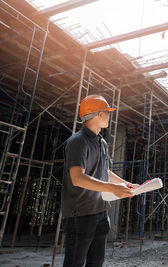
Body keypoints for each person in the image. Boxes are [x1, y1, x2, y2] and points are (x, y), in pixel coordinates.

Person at [62, 95, 137, 267]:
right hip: (80, 215)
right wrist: (112, 188)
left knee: (96, 262)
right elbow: (77, 178)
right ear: (98, 115)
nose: (109, 116)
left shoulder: (101, 142)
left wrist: (126, 184)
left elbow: (105, 170)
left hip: (100, 211)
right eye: (107, 112)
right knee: (75, 262)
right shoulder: (78, 141)